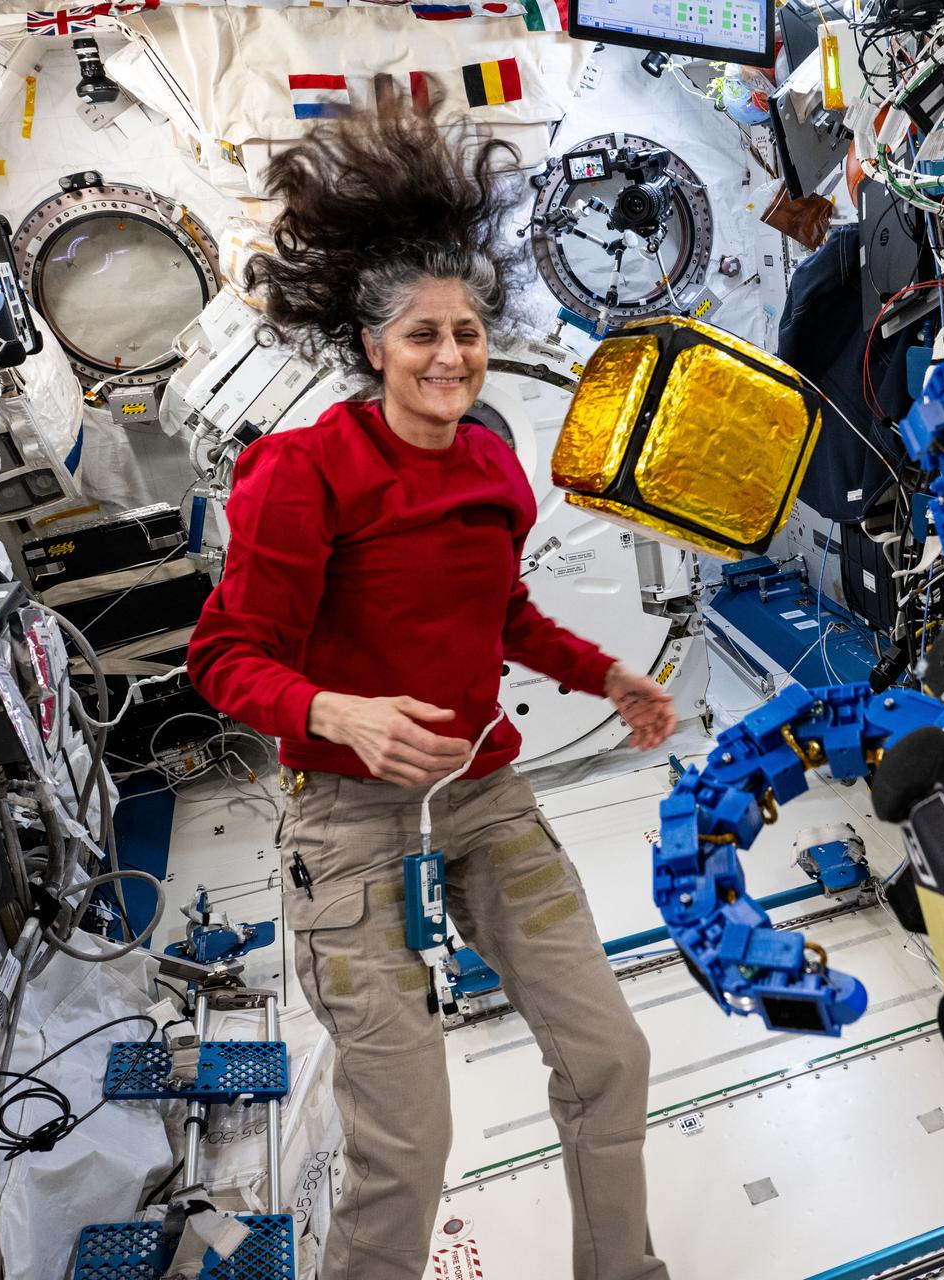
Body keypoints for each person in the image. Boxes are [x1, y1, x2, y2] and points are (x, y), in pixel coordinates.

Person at [187, 108, 676, 1280]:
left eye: (466, 332)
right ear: (372, 345)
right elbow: (225, 655)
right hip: (350, 827)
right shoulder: (302, 474)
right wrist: (338, 713)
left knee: (611, 1054)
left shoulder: (496, 462)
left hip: (485, 798)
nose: (451, 354)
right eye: (423, 336)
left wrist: (601, 669)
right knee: (410, 1140)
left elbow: (501, 613)